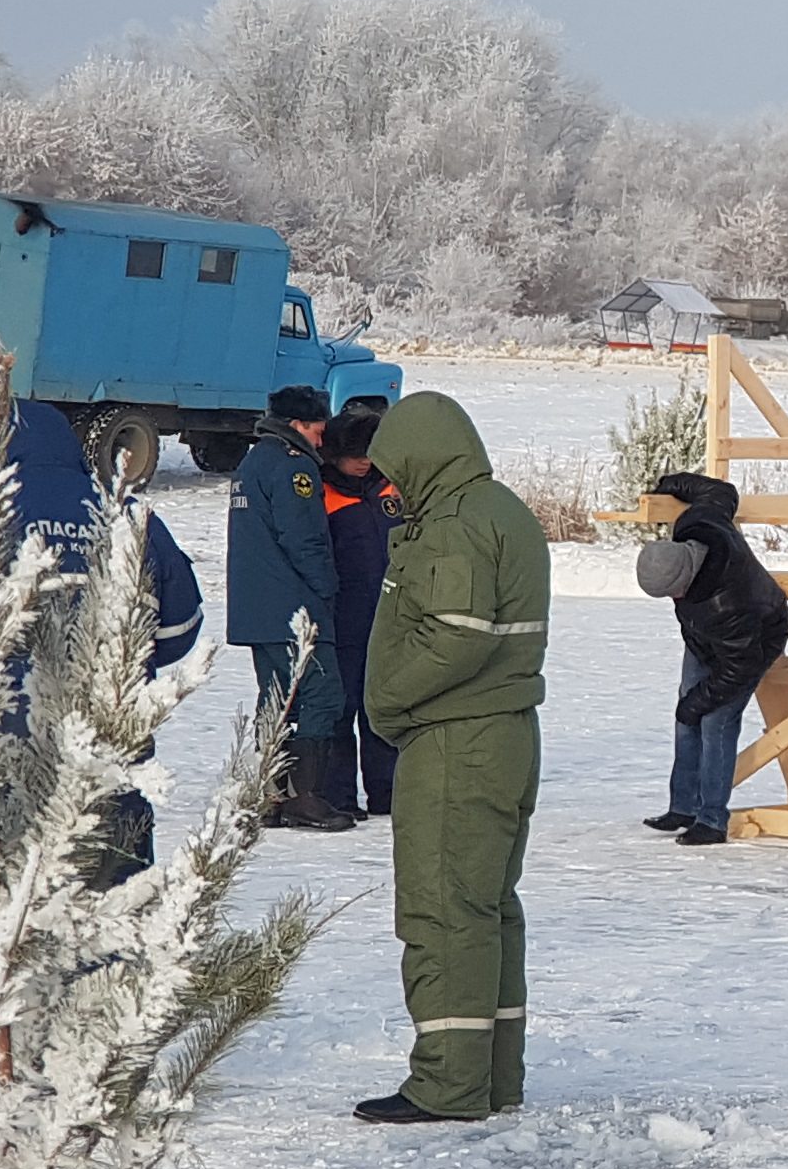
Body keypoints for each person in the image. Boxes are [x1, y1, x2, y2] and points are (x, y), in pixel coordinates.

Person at [0, 400, 202, 879]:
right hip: (107, 761)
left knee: (1, 935)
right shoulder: (127, 516)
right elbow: (180, 629)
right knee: (110, 925)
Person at [356, 393, 550, 1121]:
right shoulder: (504, 512)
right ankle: (493, 1077)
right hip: (503, 732)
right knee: (488, 910)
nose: (390, 487)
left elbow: (456, 634)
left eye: (394, 470)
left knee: (443, 913)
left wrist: (387, 703)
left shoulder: (455, 524)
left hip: (456, 740)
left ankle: (447, 1083)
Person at [635, 467, 788, 846]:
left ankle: (711, 820)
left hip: (753, 641)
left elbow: (741, 666)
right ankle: (682, 808)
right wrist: (669, 484)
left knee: (715, 719)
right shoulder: (698, 522)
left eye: (673, 594)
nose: (672, 601)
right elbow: (720, 490)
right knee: (685, 714)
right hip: (706, 638)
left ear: (684, 581)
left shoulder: (727, 604)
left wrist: (700, 700)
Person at [228, 385, 352, 832]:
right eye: (318, 431)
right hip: (294, 605)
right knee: (323, 695)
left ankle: (273, 793)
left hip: (256, 606)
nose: (322, 442)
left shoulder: (252, 462)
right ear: (298, 426)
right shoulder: (294, 467)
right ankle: (307, 796)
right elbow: (304, 537)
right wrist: (328, 588)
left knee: (278, 699)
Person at [315, 403, 402, 821]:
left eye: (369, 452)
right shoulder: (322, 493)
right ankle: (339, 795)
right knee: (341, 707)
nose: (363, 461)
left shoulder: (391, 491)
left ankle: (387, 793)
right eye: (354, 454)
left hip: (388, 616)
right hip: (343, 616)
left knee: (382, 708)